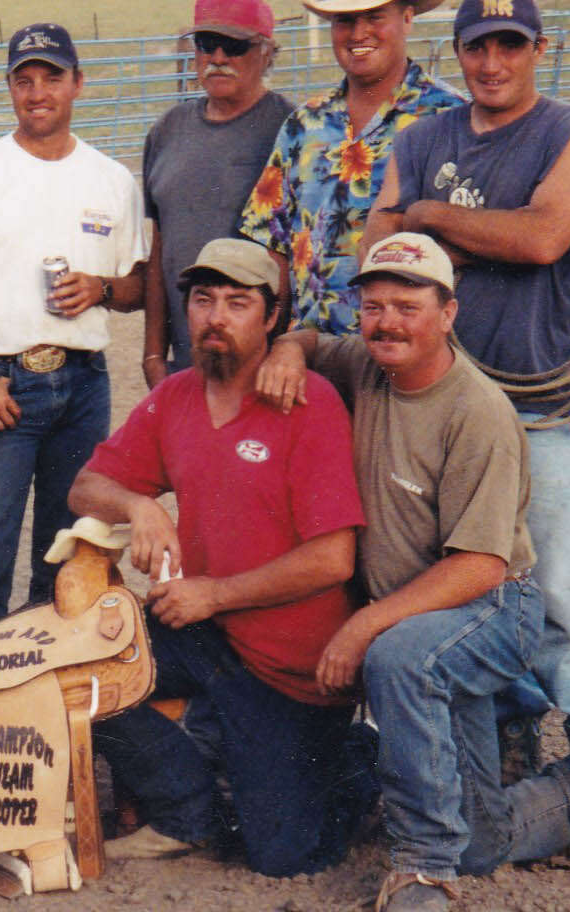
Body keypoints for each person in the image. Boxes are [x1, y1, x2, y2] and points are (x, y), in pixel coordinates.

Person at [360, 0, 570, 877]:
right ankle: (511, 745)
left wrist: (435, 218)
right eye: (478, 48)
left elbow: (544, 237)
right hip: (434, 406)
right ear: (459, 53)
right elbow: (378, 245)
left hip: (536, 404)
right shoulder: (419, 137)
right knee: (444, 580)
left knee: (561, 595)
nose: (492, 64)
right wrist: (433, 226)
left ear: (537, 49)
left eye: (510, 46)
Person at [271, 233, 570, 911]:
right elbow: (310, 340)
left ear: (448, 312)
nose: (386, 321)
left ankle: (422, 867)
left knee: (398, 660)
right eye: (374, 305)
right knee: (483, 842)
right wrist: (285, 351)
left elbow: (480, 563)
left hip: (490, 604)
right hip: (425, 612)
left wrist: (365, 623)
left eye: (407, 306)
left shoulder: (478, 412)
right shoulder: (364, 363)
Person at [69, 239, 372, 877]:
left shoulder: (308, 402)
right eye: (203, 300)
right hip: (206, 632)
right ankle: (186, 812)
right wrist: (142, 506)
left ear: (270, 318)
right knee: (76, 657)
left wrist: (214, 592)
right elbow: (84, 487)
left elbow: (333, 560)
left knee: (284, 856)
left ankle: (357, 755)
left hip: (289, 662)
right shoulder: (176, 396)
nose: (216, 316)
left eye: (238, 302)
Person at [0, 23, 147, 629]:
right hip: (4, 389)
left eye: (52, 78)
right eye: (24, 80)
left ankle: (52, 700)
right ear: (10, 89)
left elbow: (137, 287)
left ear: (78, 84)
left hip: (83, 385)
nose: (38, 92)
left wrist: (101, 288)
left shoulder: (111, 180)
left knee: (68, 552)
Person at [240, 0, 462, 334]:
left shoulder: (451, 118)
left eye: (375, 17)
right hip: (312, 358)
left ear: (407, 18)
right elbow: (272, 245)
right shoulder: (303, 125)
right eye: (345, 21)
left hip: (408, 356)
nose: (359, 33)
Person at [140, 0, 293, 383]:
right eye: (207, 45)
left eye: (234, 46)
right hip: (186, 361)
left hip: (261, 366)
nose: (219, 58)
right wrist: (153, 355)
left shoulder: (293, 131)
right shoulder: (167, 131)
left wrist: (281, 352)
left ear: (266, 52)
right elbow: (161, 248)